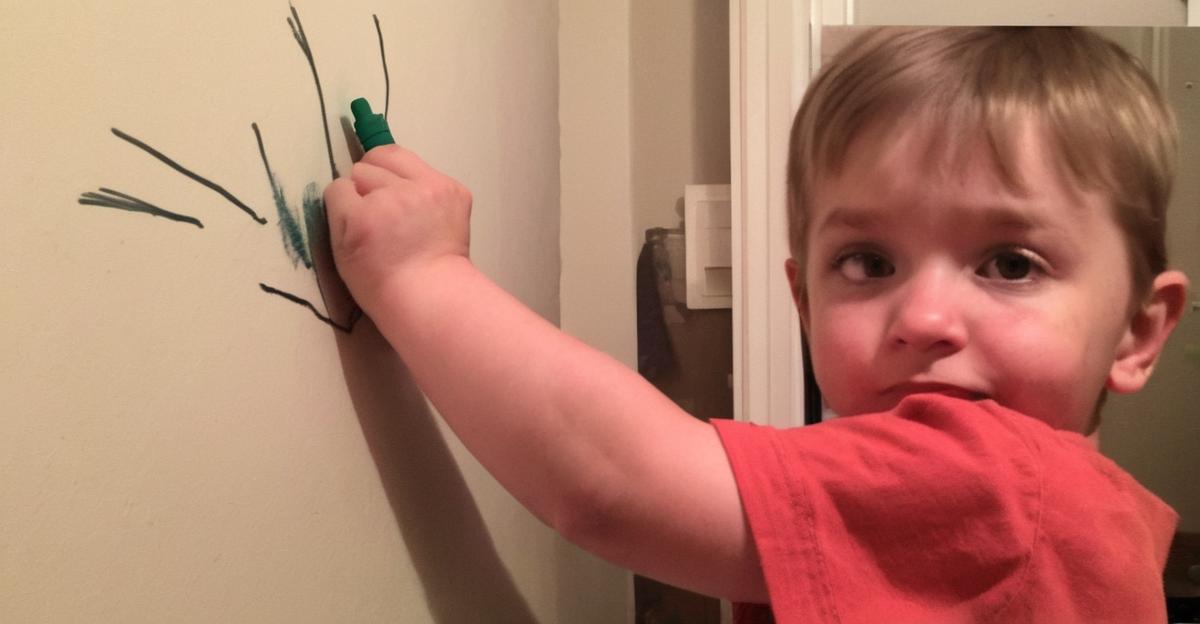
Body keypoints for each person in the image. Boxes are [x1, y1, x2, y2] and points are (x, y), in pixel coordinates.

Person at [323, 26, 1190, 623]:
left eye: (1010, 264)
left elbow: (608, 480)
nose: (923, 319)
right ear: (804, 302)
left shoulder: (1002, 483)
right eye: (869, 263)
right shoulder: (1089, 516)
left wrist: (422, 274)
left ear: (1138, 332)